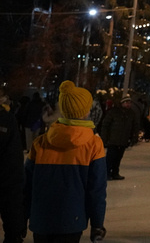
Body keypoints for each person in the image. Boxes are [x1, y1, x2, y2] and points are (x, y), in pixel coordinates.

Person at [24, 80, 107, 243]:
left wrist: (20, 218)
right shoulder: (93, 144)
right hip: (72, 220)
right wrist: (97, 223)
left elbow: (26, 186)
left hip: (41, 220)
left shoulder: (41, 143)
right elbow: (96, 189)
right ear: (85, 111)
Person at [1, 91, 26, 243]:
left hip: (7, 180)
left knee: (12, 228)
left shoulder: (6, 118)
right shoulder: (7, 118)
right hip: (8, 181)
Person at [97, 95, 137, 181]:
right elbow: (105, 125)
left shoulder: (131, 114)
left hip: (123, 139)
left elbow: (134, 126)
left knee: (118, 157)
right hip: (113, 139)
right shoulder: (113, 112)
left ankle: (115, 172)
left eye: (129, 103)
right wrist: (105, 138)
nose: (128, 104)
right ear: (122, 103)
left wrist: (133, 137)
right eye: (126, 103)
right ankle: (106, 173)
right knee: (110, 158)